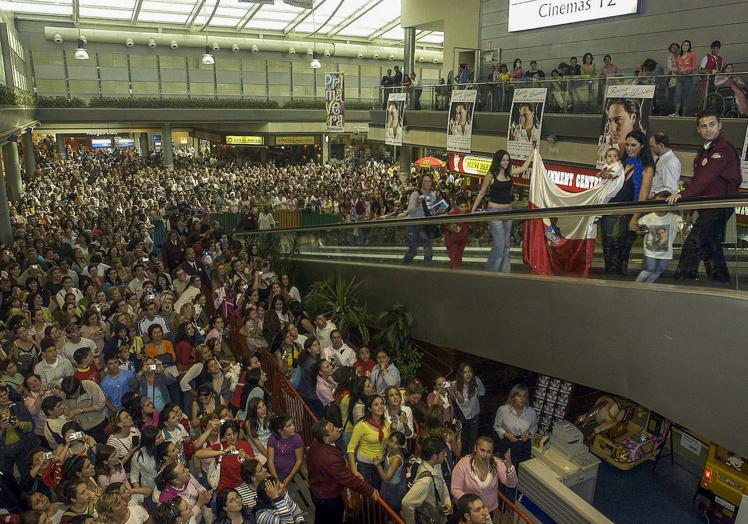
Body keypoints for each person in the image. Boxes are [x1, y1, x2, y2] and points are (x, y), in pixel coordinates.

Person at [666, 111, 742, 282]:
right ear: (698, 130)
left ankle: (682, 283)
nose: (708, 129)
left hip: (718, 205)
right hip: (707, 205)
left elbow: (705, 178)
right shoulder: (705, 150)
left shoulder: (723, 149)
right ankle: (721, 282)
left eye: (712, 124)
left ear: (720, 125)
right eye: (704, 126)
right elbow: (700, 180)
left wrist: (682, 195)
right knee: (710, 247)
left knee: (694, 243)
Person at [600, 129, 655, 275]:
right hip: (609, 211)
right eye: (627, 145)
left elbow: (643, 195)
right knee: (608, 249)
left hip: (627, 214)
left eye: (633, 145)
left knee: (620, 251)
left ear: (642, 146)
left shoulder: (646, 168)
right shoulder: (620, 163)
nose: (629, 148)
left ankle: (618, 284)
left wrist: (635, 217)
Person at [471, 148, 534, 273]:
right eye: (503, 160)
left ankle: (504, 273)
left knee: (506, 245)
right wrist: (472, 210)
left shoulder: (509, 172)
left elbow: (523, 168)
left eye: (507, 160)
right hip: (494, 211)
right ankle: (493, 273)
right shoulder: (490, 175)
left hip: (508, 211)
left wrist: (533, 152)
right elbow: (482, 192)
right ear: (498, 161)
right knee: (500, 245)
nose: (505, 162)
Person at [307, 418, 377, 524]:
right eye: (333, 430)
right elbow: (347, 478)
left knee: (321, 518)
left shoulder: (316, 444)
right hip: (328, 497)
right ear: (326, 439)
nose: (337, 429)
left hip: (317, 491)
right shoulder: (329, 458)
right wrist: (369, 490)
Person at [450, 436, 517, 514]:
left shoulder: (497, 463)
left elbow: (512, 484)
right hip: (466, 510)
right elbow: (455, 489)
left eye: (489, 452)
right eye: (482, 450)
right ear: (475, 448)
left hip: (487, 511)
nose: (485, 454)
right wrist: (472, 504)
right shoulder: (463, 464)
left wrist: (509, 467)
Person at [401, 436, 453, 524]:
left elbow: (442, 484)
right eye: (443, 453)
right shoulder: (425, 480)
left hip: (439, 515)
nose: (446, 455)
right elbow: (406, 503)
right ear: (434, 456)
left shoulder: (436, 464)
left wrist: (447, 502)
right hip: (430, 517)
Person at [347, 394, 389, 490]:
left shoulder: (385, 422)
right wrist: (353, 469)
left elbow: (386, 442)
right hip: (365, 465)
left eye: (382, 404)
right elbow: (351, 448)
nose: (380, 406)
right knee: (368, 494)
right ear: (370, 409)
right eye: (376, 404)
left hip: (380, 463)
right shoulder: (361, 425)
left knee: (378, 491)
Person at [636, 199, 683, 283]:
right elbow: (638, 226)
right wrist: (640, 229)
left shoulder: (673, 218)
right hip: (650, 251)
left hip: (665, 252)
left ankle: (647, 284)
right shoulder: (648, 217)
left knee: (661, 269)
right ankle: (637, 284)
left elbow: (681, 223)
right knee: (649, 269)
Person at [493, 384, 537, 468]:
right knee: (506, 469)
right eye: (519, 396)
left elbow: (534, 427)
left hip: (524, 445)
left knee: (521, 470)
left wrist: (529, 434)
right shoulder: (503, 410)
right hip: (508, 444)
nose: (522, 399)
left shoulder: (531, 412)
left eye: (524, 396)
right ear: (513, 397)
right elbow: (497, 426)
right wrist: (506, 434)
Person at [402, 173, 441, 265]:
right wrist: (417, 204)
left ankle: (427, 270)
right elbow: (409, 211)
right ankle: (405, 266)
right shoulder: (415, 194)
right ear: (421, 183)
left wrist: (438, 212)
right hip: (414, 225)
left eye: (429, 181)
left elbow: (431, 212)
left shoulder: (433, 195)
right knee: (413, 250)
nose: (427, 183)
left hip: (426, 226)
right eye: (425, 181)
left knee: (428, 249)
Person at [453, 363, 485, 454]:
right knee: (462, 440)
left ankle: (470, 459)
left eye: (470, 371)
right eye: (465, 372)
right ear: (461, 374)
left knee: (473, 440)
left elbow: (482, 392)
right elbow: (463, 403)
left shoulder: (476, 380)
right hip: (462, 417)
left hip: (475, 415)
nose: (468, 374)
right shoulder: (457, 385)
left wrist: (475, 398)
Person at [266, 414, 304, 488]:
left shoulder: (297, 438)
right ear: (280, 431)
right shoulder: (272, 438)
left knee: (276, 488)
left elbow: (299, 460)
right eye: (288, 426)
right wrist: (275, 478)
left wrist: (289, 477)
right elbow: (270, 460)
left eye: (292, 424)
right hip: (273, 467)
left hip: (287, 469)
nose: (293, 427)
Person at [373, 431, 407, 513]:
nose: (392, 445)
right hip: (387, 486)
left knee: (391, 511)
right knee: (386, 508)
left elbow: (387, 478)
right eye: (391, 441)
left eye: (396, 443)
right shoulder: (390, 451)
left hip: (394, 489)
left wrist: (378, 466)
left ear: (401, 446)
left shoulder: (396, 459)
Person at [671, 39, 699, 117]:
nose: (685, 46)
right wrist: (678, 70)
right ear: (682, 46)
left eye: (687, 45)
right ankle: (676, 113)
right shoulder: (679, 56)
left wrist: (688, 69)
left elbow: (695, 66)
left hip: (688, 77)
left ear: (689, 47)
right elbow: (677, 66)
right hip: (680, 77)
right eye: (684, 44)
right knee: (678, 94)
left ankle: (683, 114)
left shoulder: (692, 54)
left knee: (685, 95)